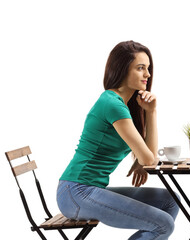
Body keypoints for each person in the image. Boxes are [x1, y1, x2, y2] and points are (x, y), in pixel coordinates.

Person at [57, 40, 179, 240]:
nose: (147, 75)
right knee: (163, 224)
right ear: (122, 70)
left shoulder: (124, 105)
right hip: (76, 192)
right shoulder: (112, 104)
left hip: (86, 189)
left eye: (147, 68)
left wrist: (150, 113)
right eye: (140, 68)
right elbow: (149, 160)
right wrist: (152, 113)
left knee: (169, 200)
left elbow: (148, 158)